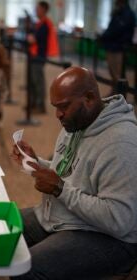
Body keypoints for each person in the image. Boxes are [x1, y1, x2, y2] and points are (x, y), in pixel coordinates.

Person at [10, 66, 137, 280]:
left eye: (63, 107)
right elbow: (71, 171)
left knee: (27, 269)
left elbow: (119, 220)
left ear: (89, 98)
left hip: (111, 238)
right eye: (55, 107)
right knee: (0, 230)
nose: (58, 114)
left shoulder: (120, 143)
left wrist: (60, 189)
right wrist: (36, 163)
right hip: (66, 216)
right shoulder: (78, 121)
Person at [27, 1, 59, 113]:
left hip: (39, 56)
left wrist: (31, 38)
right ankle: (34, 103)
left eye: (38, 8)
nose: (36, 10)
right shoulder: (39, 23)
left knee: (38, 81)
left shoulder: (45, 24)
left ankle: (40, 106)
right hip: (34, 55)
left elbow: (33, 39)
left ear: (44, 10)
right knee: (32, 81)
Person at [100, 0, 135, 89]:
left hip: (119, 48)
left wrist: (104, 36)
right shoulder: (118, 11)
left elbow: (117, 30)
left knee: (118, 75)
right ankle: (115, 91)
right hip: (112, 46)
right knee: (113, 73)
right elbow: (112, 27)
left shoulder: (127, 13)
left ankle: (121, 95)